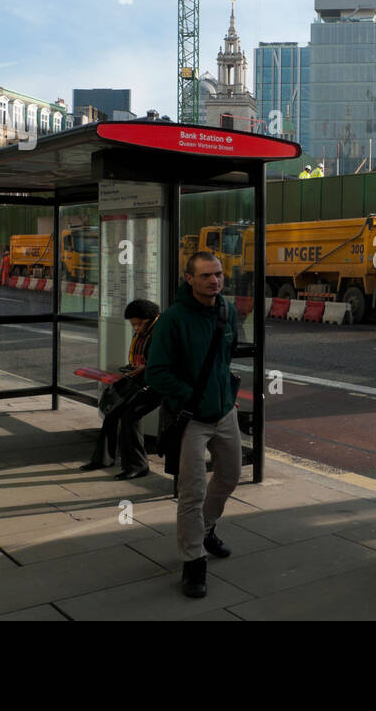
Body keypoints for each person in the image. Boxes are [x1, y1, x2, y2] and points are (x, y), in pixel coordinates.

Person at [144, 252, 241, 598]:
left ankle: (207, 527)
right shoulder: (173, 319)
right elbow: (156, 373)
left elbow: (226, 357)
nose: (214, 281)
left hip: (224, 411)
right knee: (192, 491)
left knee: (230, 475)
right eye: (206, 276)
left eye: (218, 274)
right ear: (189, 279)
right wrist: (191, 396)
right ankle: (193, 560)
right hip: (191, 418)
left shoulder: (226, 311)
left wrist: (225, 392)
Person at [80, 299, 162, 479]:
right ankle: (103, 459)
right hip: (141, 380)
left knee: (129, 416)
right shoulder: (145, 330)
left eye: (138, 323)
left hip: (161, 384)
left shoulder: (162, 331)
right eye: (133, 324)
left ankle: (138, 466)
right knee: (112, 411)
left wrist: (145, 367)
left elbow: (166, 360)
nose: (136, 328)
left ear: (150, 318)